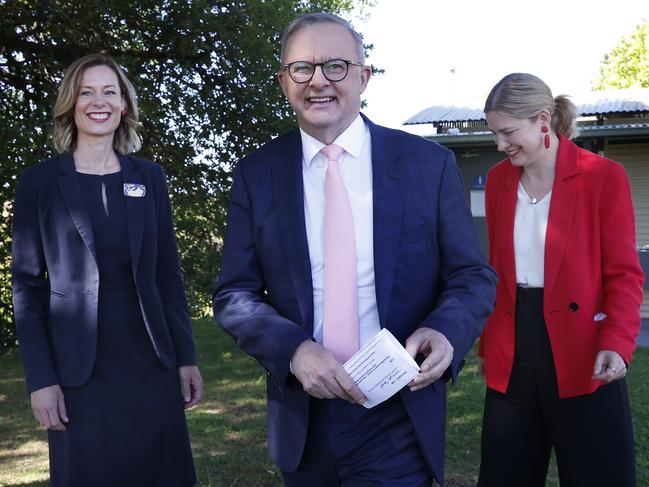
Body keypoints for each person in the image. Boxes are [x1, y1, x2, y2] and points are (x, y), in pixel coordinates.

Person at [213, 12, 496, 486]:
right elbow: (235, 294)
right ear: (285, 82)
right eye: (302, 68)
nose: (318, 80)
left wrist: (446, 332)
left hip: (397, 411)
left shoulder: (429, 166)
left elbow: (472, 277)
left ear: (363, 77)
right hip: (304, 416)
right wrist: (293, 351)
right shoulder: (256, 175)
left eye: (335, 66)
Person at [11, 53, 203, 487]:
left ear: (124, 106)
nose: (99, 102)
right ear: (71, 104)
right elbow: (26, 288)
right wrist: (41, 381)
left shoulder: (149, 177)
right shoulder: (39, 184)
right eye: (87, 92)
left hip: (152, 364)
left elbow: (167, 273)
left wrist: (186, 358)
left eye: (110, 92)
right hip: (79, 373)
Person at [477, 72, 643, 486]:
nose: (500, 145)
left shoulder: (603, 176)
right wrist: (488, 342)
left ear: (544, 121)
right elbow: (496, 267)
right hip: (513, 347)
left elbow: (623, 274)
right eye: (495, 133)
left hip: (586, 349)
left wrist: (618, 344)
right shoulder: (499, 180)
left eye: (509, 132)